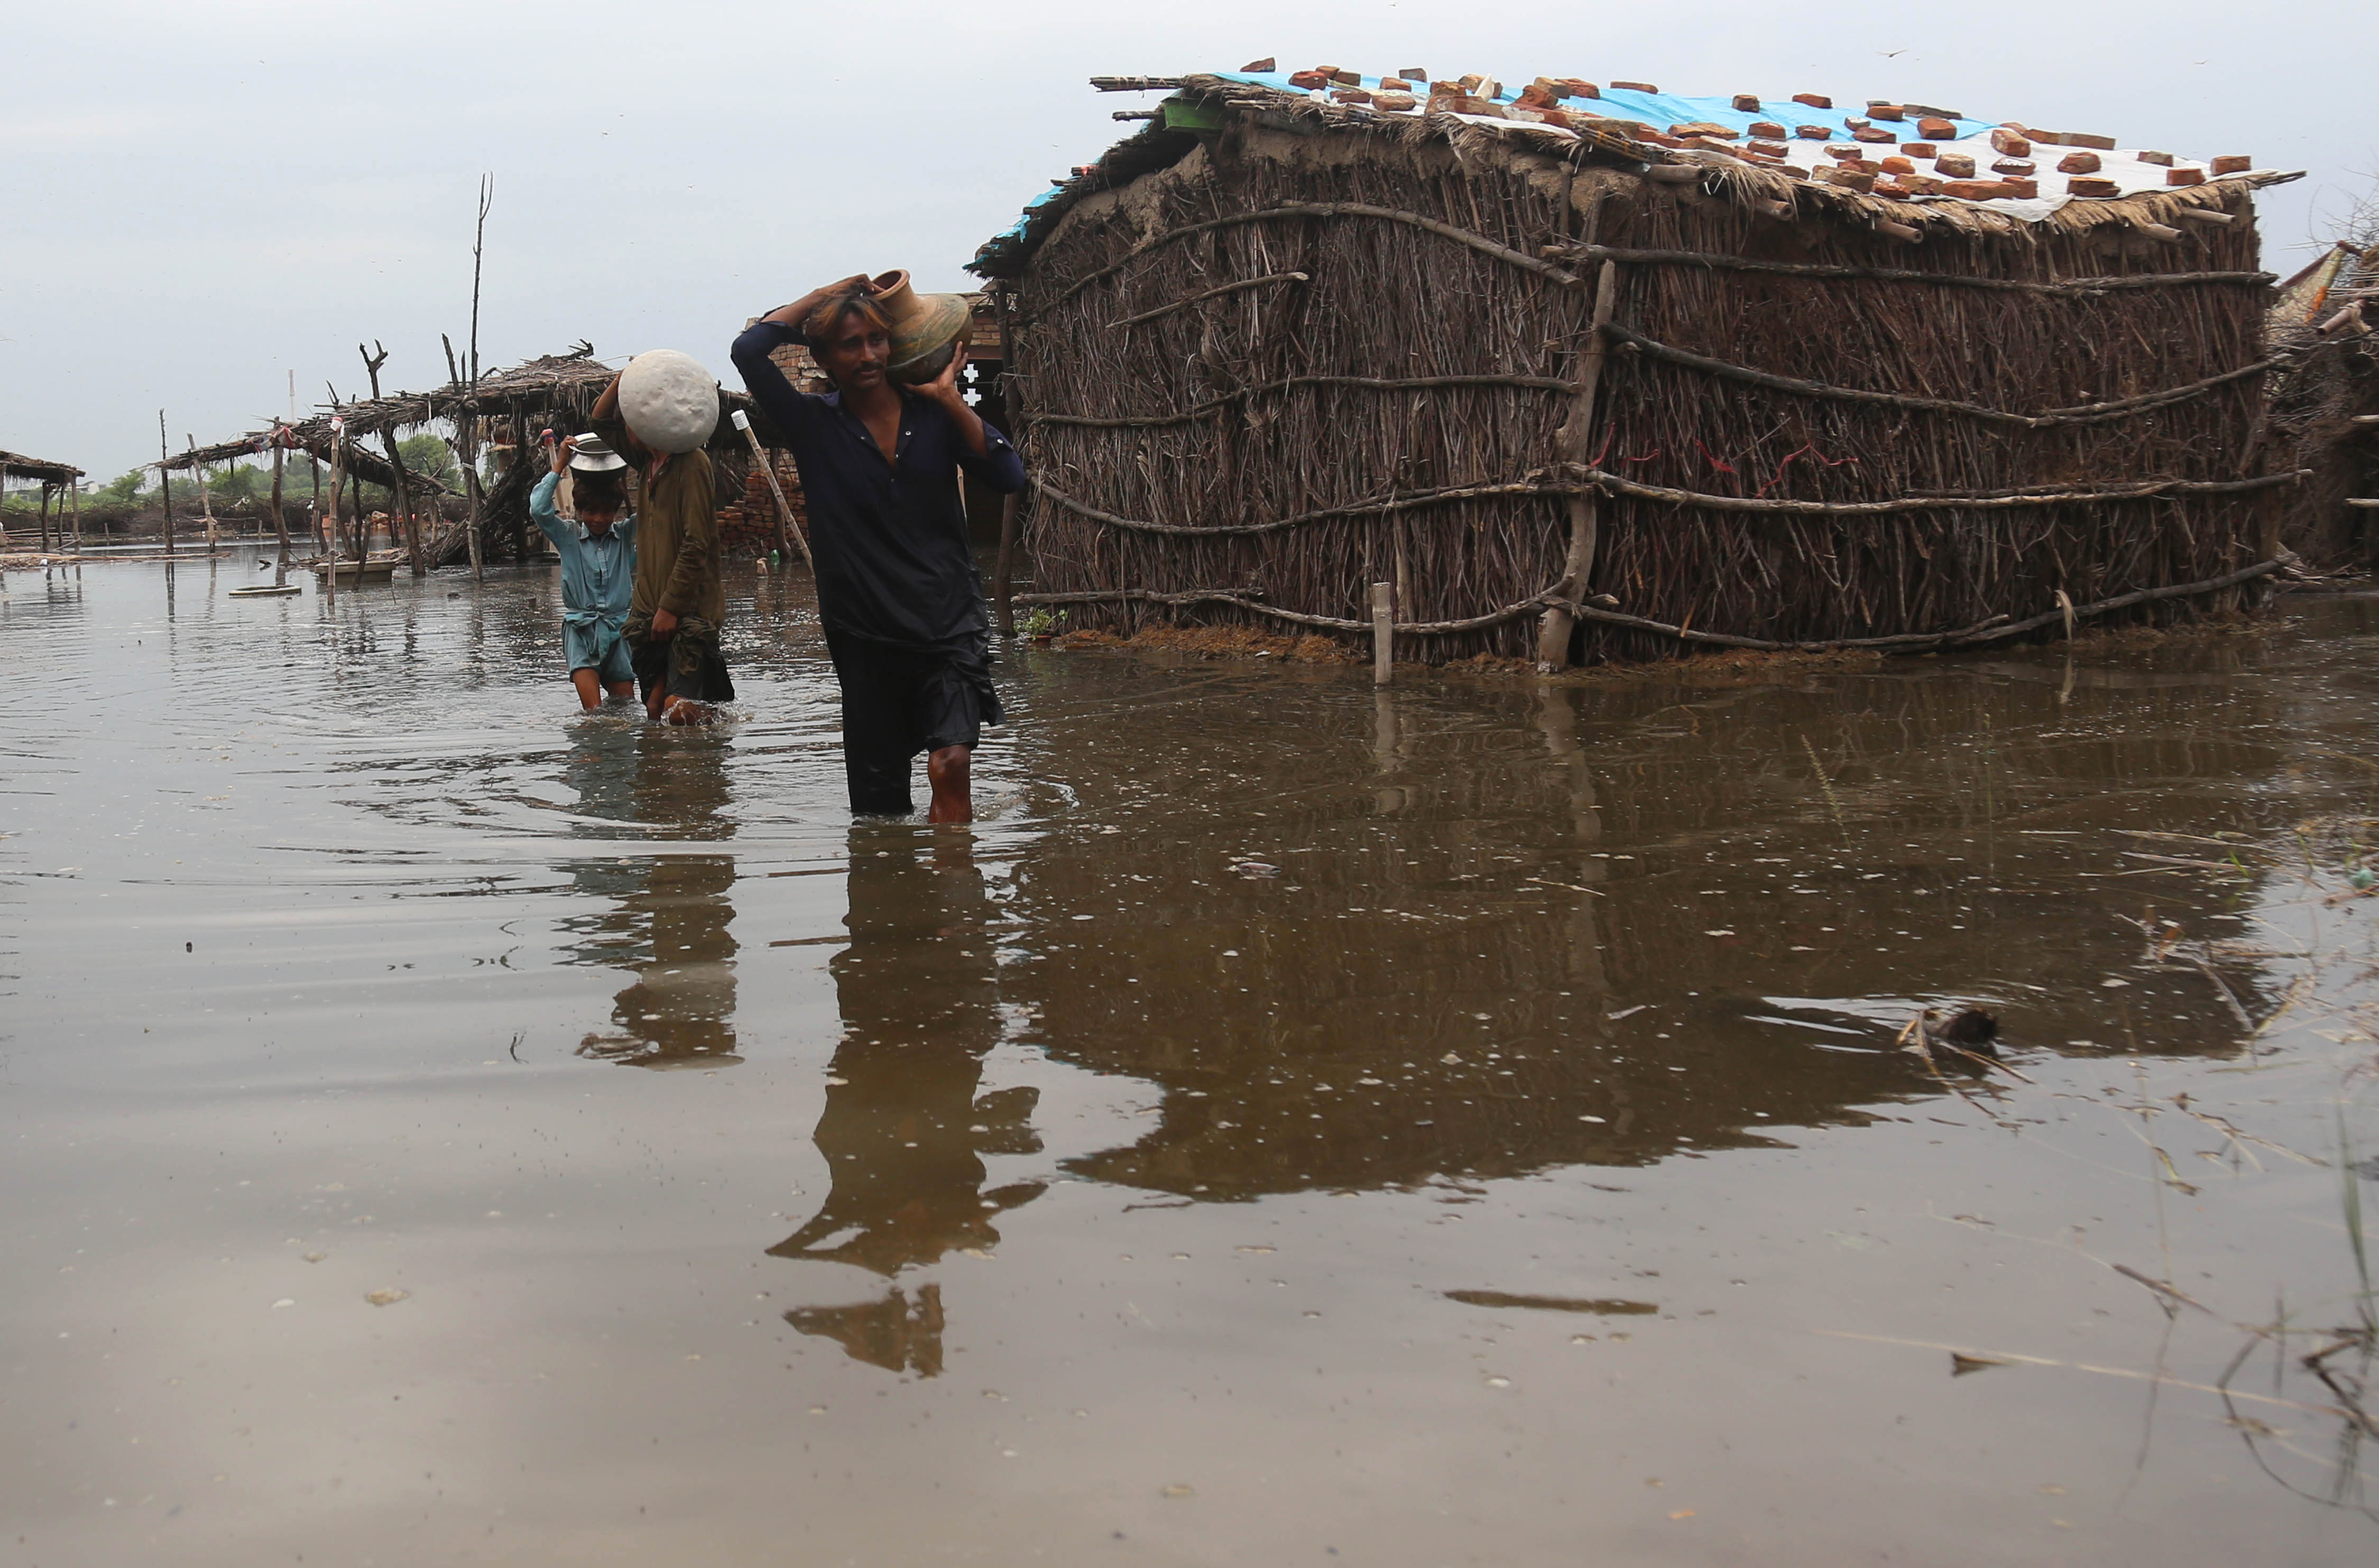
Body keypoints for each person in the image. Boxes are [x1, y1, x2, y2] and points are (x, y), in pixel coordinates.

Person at [730, 277, 1026, 821]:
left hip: (949, 624)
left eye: (876, 339)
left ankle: (957, 895)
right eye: (850, 344)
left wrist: (951, 400)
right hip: (866, 636)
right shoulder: (813, 425)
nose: (868, 354)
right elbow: (748, 350)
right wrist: (828, 294)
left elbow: (1009, 475)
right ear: (824, 356)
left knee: (952, 762)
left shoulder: (933, 414)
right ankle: (898, 905)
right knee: (879, 813)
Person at [590, 373, 729, 725]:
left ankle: (707, 769)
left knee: (677, 709)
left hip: (686, 614)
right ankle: (663, 777)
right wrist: (627, 379)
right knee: (654, 711)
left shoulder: (690, 463)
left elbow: (696, 544)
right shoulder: (647, 464)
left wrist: (671, 608)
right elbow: (599, 421)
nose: (628, 424)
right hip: (648, 613)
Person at [530, 433, 638, 710]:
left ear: (617, 512)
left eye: (606, 513)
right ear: (580, 511)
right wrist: (561, 464)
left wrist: (642, 456)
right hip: (581, 631)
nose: (599, 519)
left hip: (618, 630)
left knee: (626, 710)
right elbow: (539, 509)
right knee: (595, 713)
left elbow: (658, 507)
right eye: (591, 512)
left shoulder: (626, 536)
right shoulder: (568, 537)